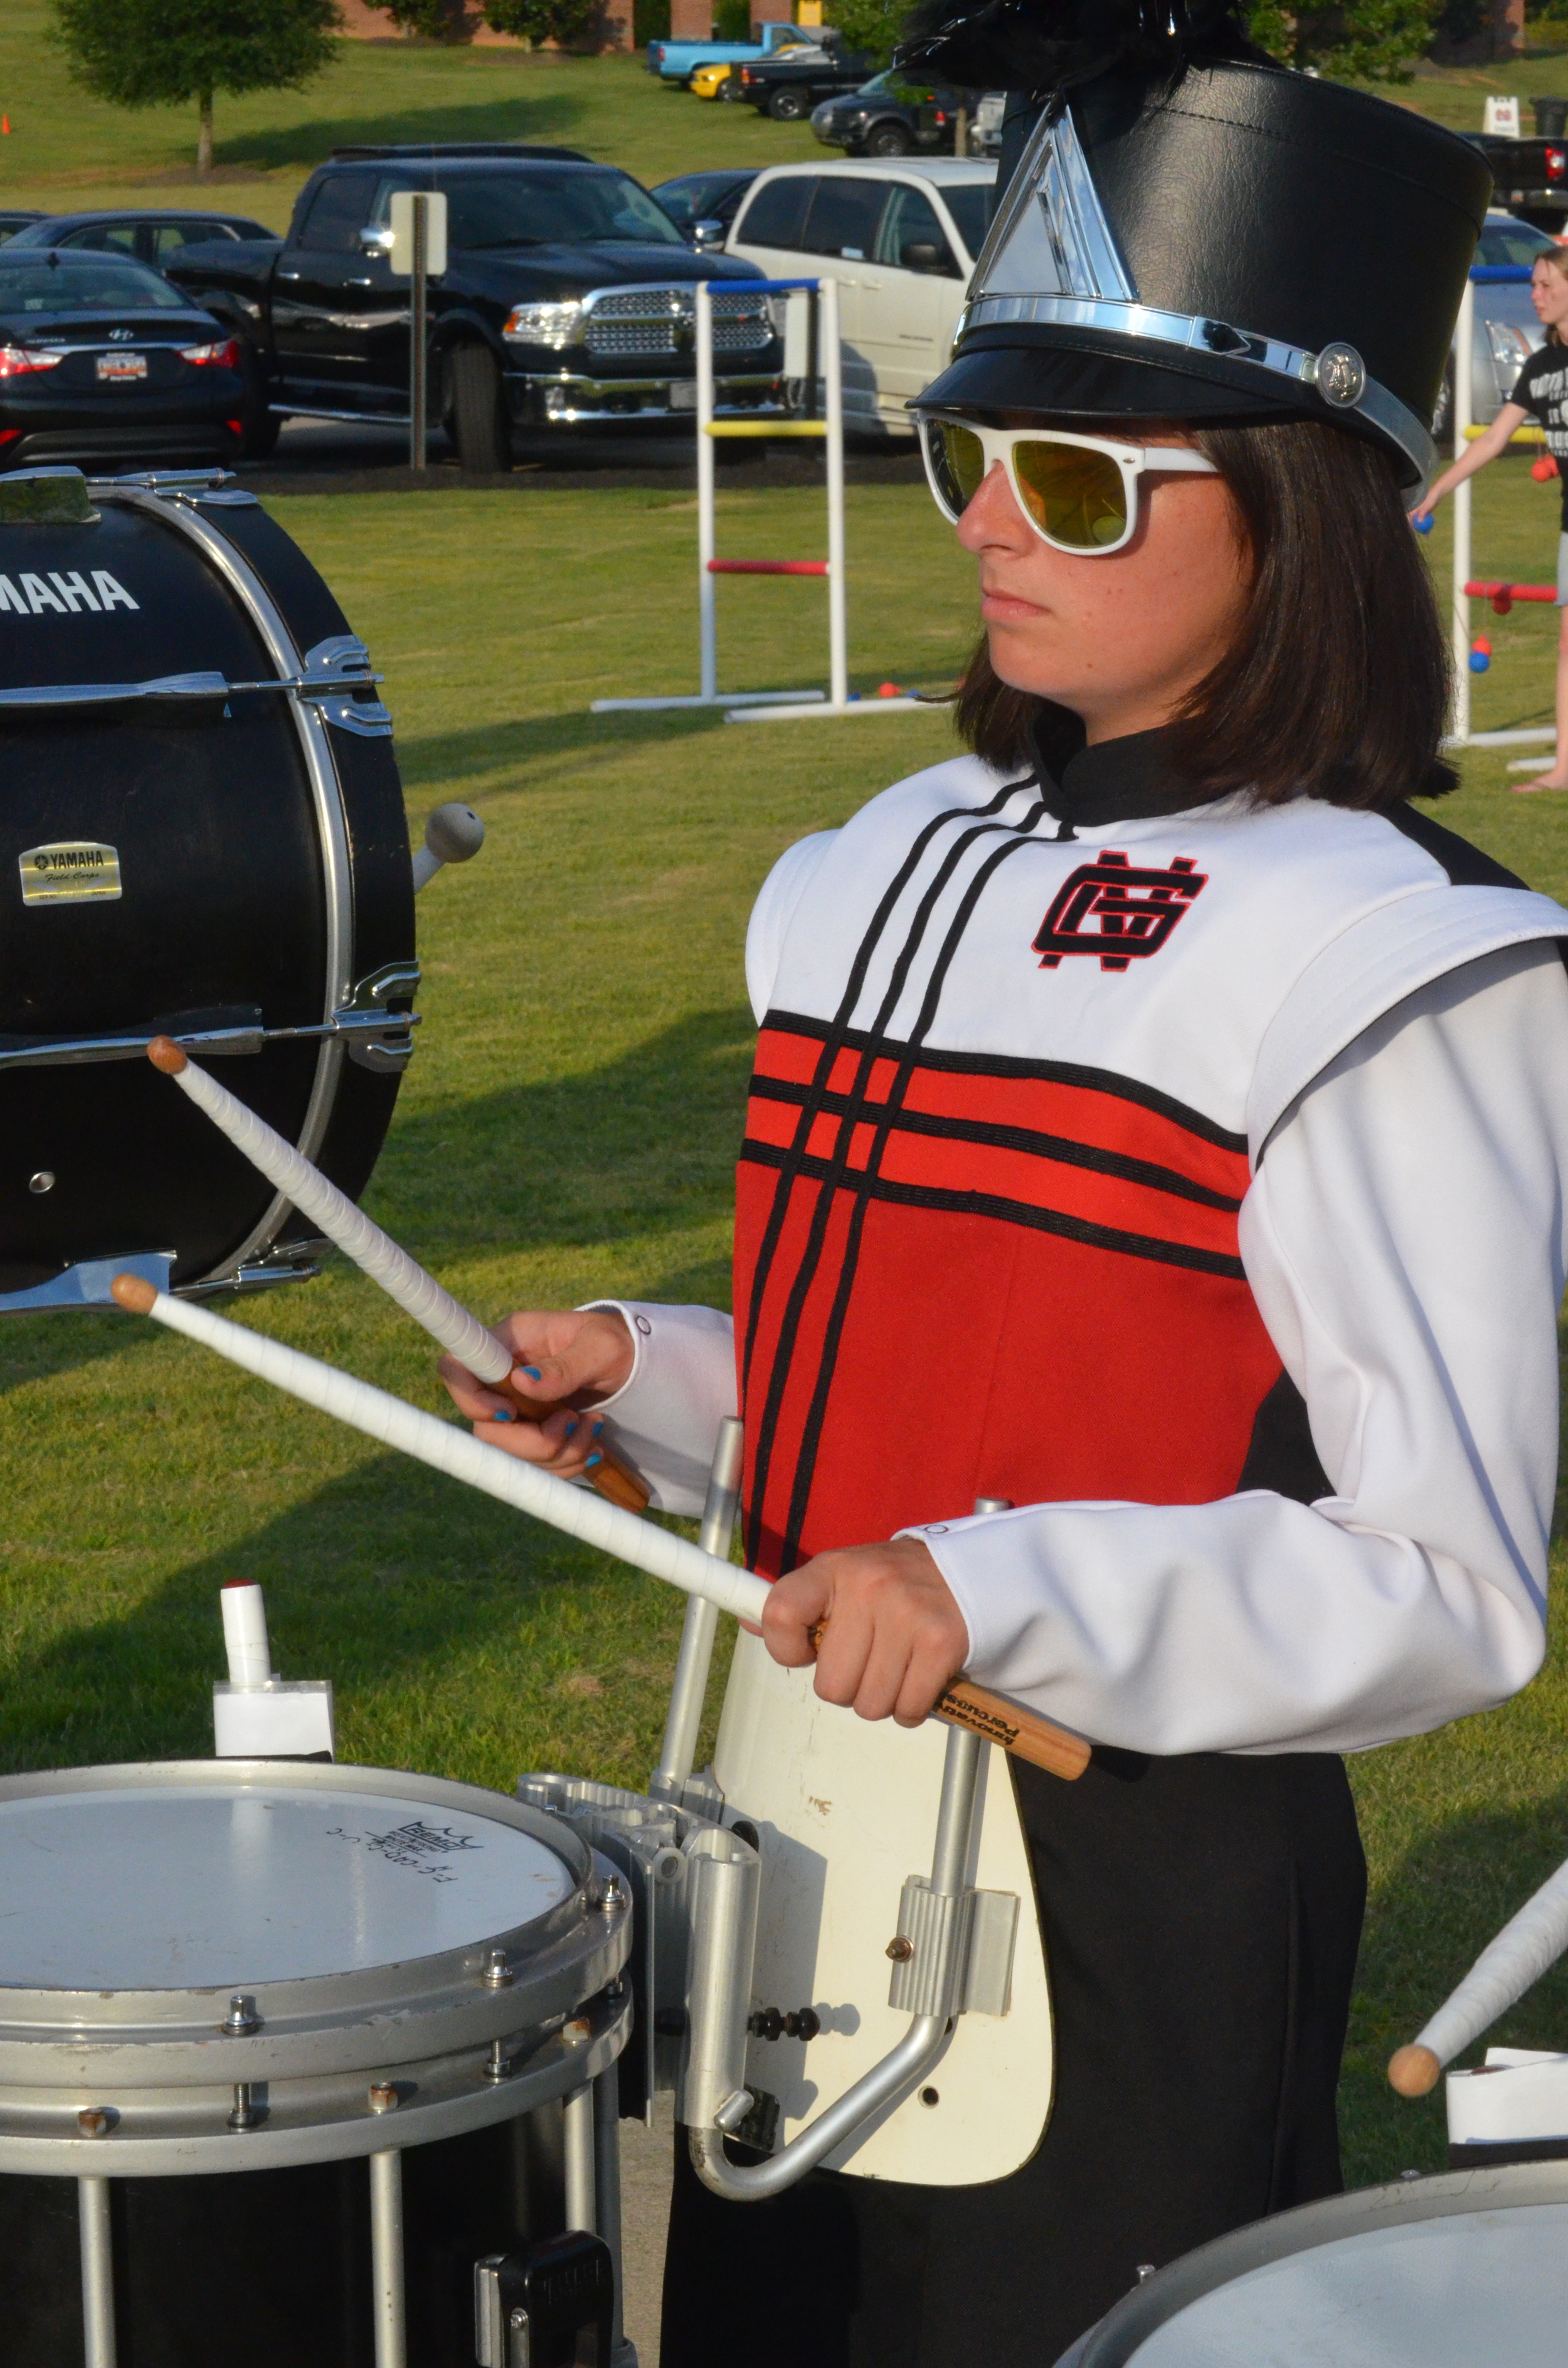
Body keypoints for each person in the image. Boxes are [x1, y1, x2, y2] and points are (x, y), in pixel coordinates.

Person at [443, 9, 1568, 2360]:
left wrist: (992, 1590)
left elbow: (1444, 1582)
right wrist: (655, 1382)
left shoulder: (1398, 961)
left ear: (1308, 510)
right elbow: (933, 1381)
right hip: (797, 1826)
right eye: (973, 449)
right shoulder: (877, 861)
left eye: (1078, 481)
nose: (976, 520)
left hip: (1122, 1867)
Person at [1412, 240, 1568, 793]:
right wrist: (1436, 490)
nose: (1536, 294)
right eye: (1534, 284)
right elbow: (1495, 439)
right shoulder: (1543, 367)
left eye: (1548, 285)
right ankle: (1564, 767)